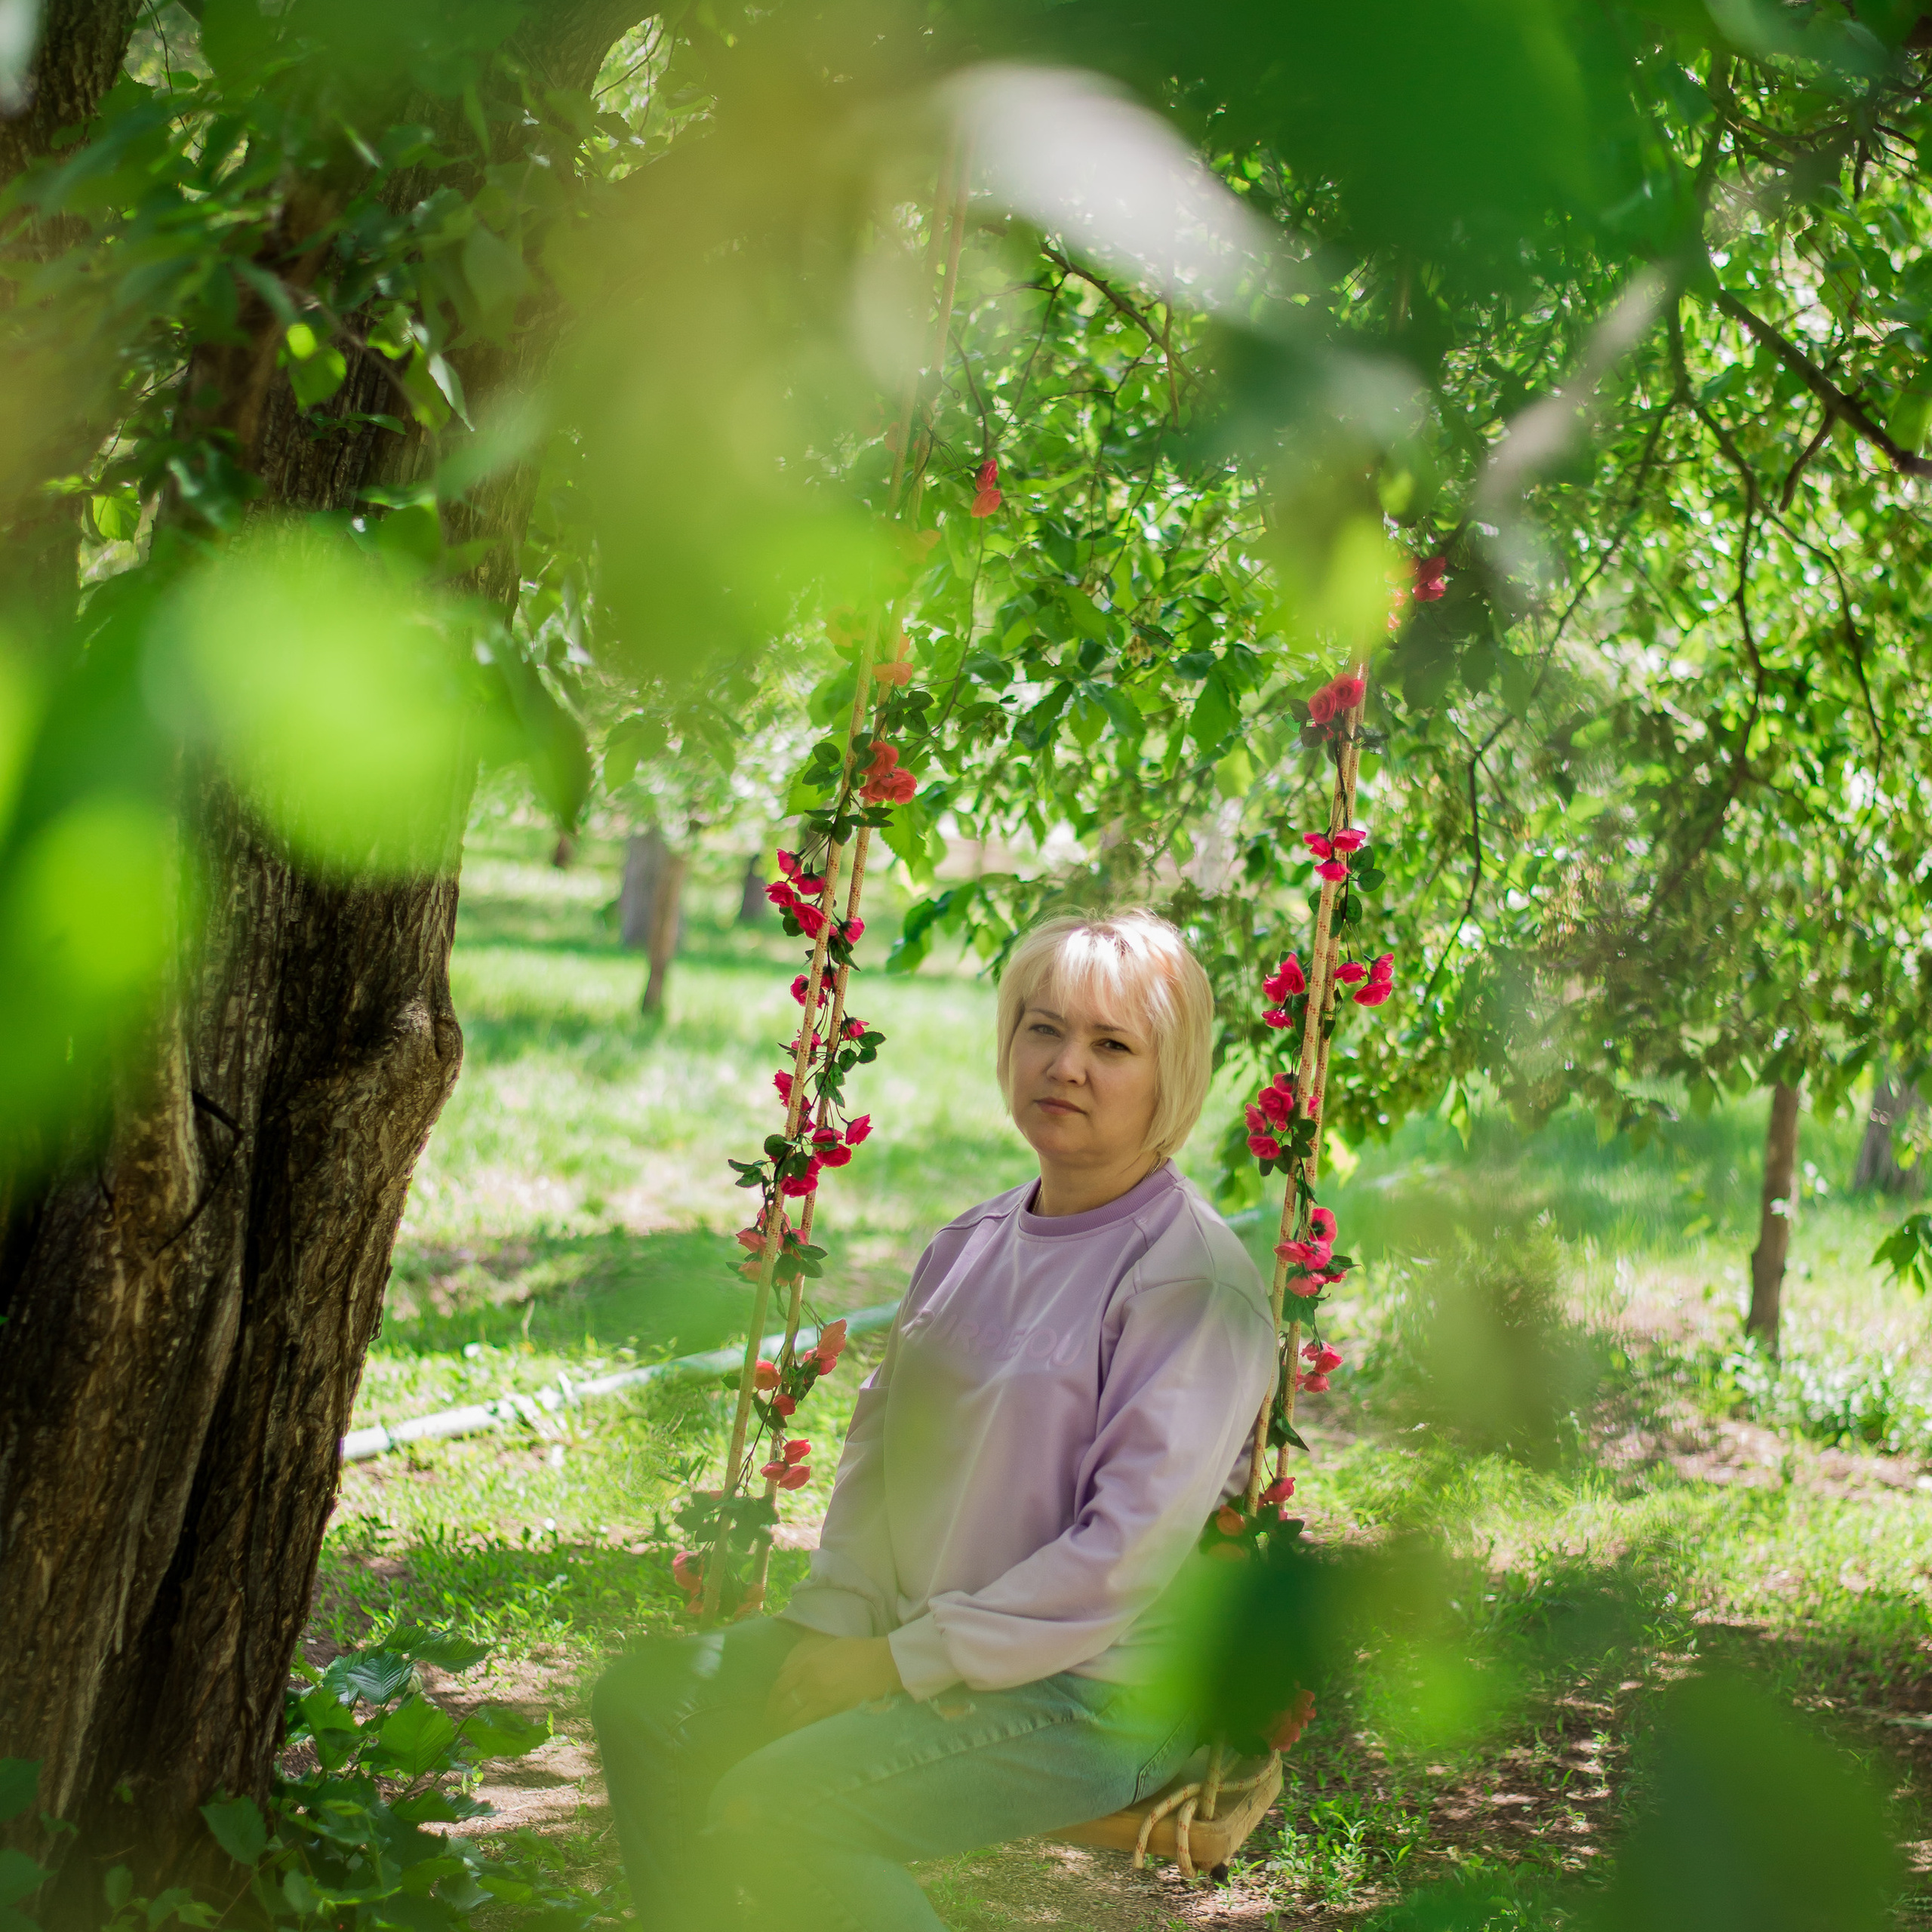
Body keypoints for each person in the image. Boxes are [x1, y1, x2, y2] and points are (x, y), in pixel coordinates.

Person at [593, 909, 1276, 1929]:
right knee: (650, 1706)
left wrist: (893, 1666)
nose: (1067, 1066)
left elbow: (1123, 1555)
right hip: (919, 1640)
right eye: (1043, 1030)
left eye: (1112, 1045)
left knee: (784, 1808)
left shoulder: (1191, 1281)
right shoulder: (971, 1243)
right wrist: (835, 1626)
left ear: (1167, 1077)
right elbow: (880, 1462)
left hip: (1090, 1690)